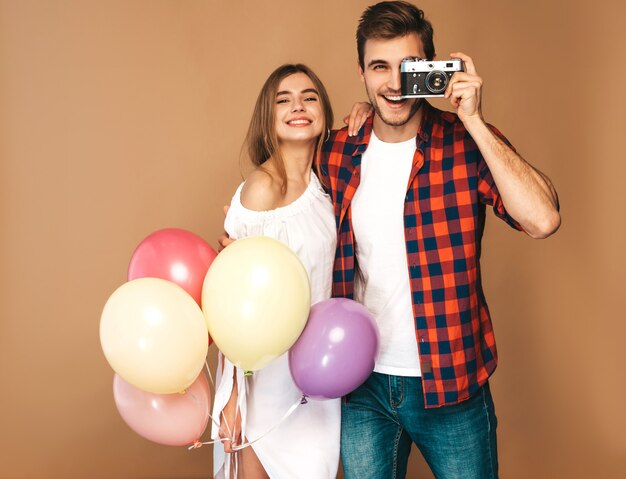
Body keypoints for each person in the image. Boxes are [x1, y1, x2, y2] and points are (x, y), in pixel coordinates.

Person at [319, 2, 561, 479]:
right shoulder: (337, 148)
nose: (393, 83)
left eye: (408, 68)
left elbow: (543, 219)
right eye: (379, 67)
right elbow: (287, 206)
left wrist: (474, 120)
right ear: (362, 73)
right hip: (361, 382)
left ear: (431, 67)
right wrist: (241, 231)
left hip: (452, 381)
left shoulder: (466, 143)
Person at [211, 64, 370, 479]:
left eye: (310, 97)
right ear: (269, 116)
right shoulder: (261, 189)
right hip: (264, 376)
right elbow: (232, 301)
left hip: (318, 374)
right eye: (284, 100)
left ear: (323, 113)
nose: (298, 106)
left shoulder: (326, 184)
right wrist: (232, 400)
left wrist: (366, 108)